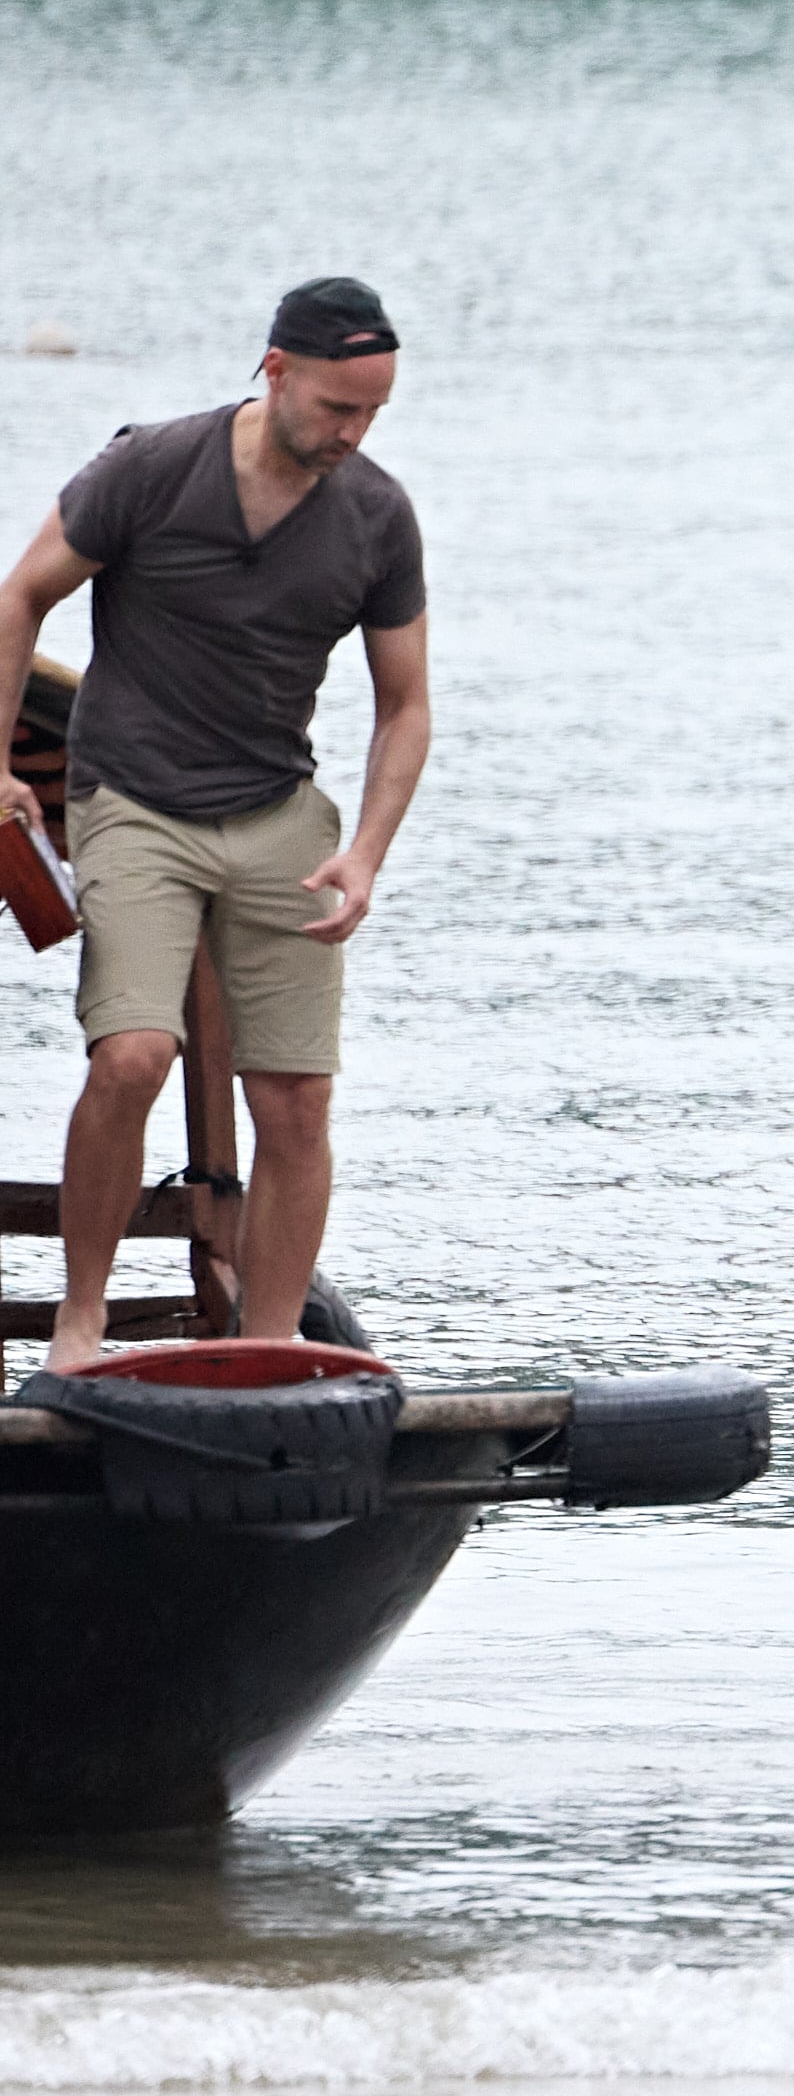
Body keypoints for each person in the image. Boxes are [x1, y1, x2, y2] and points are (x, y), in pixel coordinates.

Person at [0, 278, 433, 1368]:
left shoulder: (378, 515)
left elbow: (405, 705)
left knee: (293, 1100)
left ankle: (272, 1348)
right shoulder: (152, 469)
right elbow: (21, 597)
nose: (352, 432)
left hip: (278, 813)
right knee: (137, 1054)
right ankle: (81, 1325)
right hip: (134, 801)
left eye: (372, 412)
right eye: (337, 406)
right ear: (275, 369)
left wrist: (365, 854)